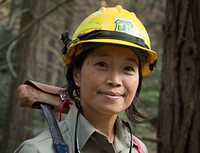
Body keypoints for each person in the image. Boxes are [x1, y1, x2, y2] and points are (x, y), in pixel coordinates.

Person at [15, 5, 157, 153]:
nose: (115, 80)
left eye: (128, 68)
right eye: (102, 64)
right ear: (77, 73)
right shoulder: (37, 150)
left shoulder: (138, 149)